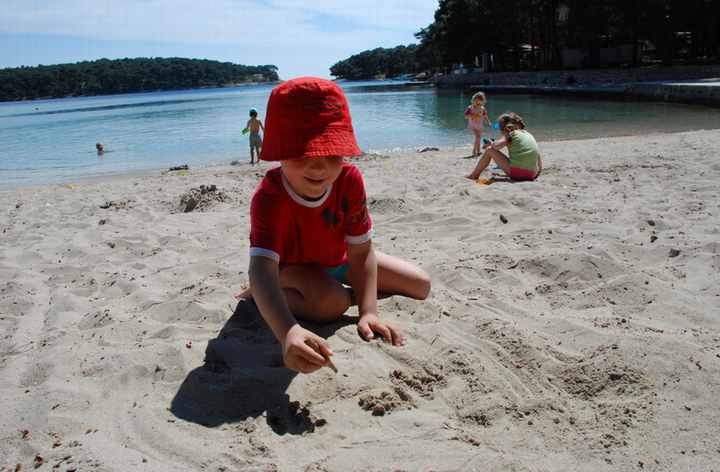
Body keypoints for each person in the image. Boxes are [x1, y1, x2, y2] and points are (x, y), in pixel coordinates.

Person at [238, 77, 431, 374]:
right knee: (332, 304)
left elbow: (361, 252)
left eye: (331, 153)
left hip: (337, 259)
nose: (319, 167)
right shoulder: (269, 197)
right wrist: (288, 332)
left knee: (420, 284)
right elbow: (262, 267)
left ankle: (339, 294)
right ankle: (260, 293)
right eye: (303, 152)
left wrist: (368, 313)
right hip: (290, 269)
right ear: (279, 150)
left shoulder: (349, 180)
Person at [465, 112, 542, 181]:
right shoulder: (528, 134)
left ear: (505, 128)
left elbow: (496, 146)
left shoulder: (511, 133)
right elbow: (537, 154)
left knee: (489, 150)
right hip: (532, 174)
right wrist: (538, 171)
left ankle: (474, 175)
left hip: (517, 174)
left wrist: (491, 143)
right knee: (518, 158)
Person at [464, 91, 492, 156]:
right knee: (477, 137)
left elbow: (485, 116)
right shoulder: (470, 108)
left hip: (480, 125)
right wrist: (474, 115)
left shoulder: (482, 108)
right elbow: (466, 116)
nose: (477, 104)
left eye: (479, 102)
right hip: (473, 125)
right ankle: (474, 151)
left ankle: (478, 151)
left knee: (479, 137)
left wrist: (488, 122)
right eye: (476, 102)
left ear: (482, 101)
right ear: (473, 100)